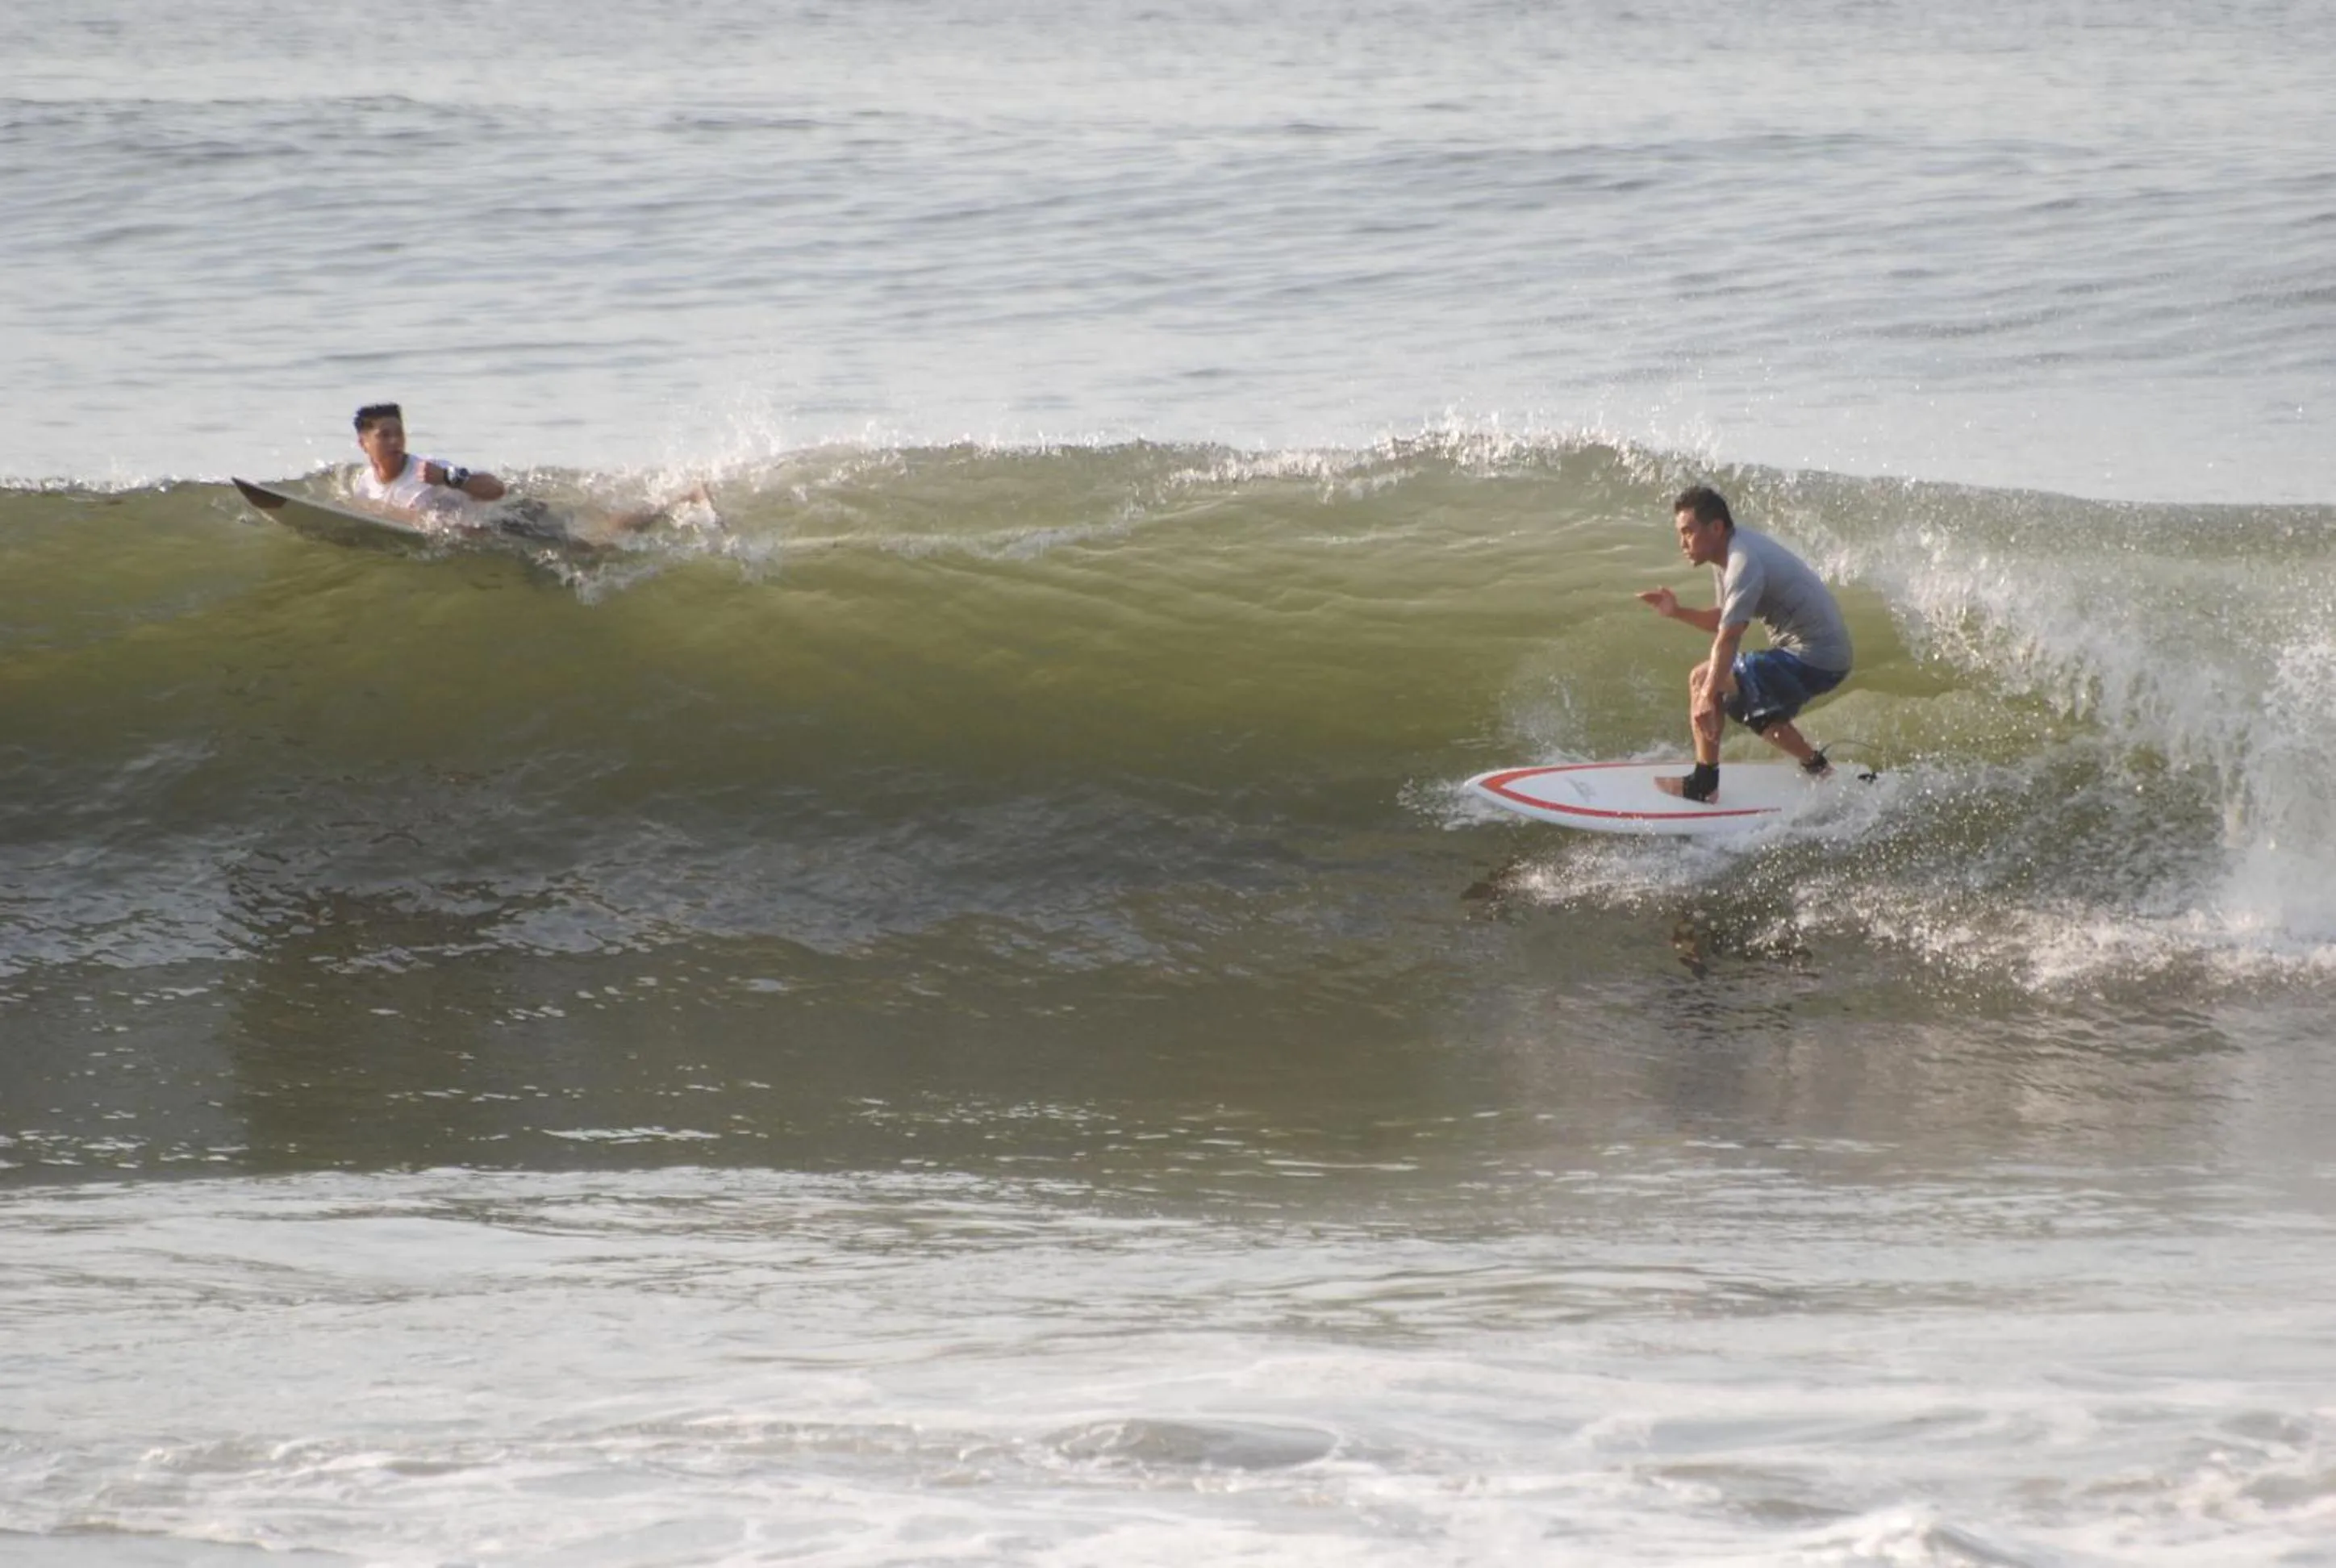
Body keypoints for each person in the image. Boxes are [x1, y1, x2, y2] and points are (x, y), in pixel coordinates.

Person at [1636, 484, 1851, 802]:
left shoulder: (1743, 562)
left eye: (1688, 532)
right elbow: (1723, 619)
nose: (1682, 543)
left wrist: (1707, 694)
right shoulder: (1725, 555)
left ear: (1716, 527)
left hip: (1813, 658)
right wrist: (1677, 611)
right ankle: (1818, 768)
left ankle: (1704, 784)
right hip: (1821, 658)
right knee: (1746, 705)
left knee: (1703, 679)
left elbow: (1730, 637)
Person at [349, 402, 711, 544]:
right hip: (486, 533)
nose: (396, 440)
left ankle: (682, 499)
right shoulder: (365, 485)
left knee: (595, 547)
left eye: (398, 431)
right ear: (363, 443)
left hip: (511, 517)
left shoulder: (431, 468)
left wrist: (448, 480)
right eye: (385, 435)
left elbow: (495, 489)